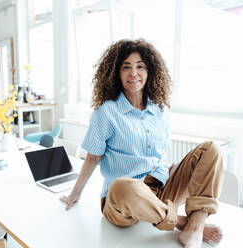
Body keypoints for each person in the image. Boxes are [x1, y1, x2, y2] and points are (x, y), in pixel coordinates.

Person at [60, 39, 224, 248]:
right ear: (116, 73)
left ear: (150, 71)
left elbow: (160, 155)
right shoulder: (106, 112)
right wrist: (75, 194)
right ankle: (183, 223)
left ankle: (196, 225)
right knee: (122, 185)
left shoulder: (160, 108)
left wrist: (174, 177)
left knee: (212, 149)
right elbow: (93, 157)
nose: (133, 73)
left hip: (161, 187)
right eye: (126, 67)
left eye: (140, 66)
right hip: (123, 200)